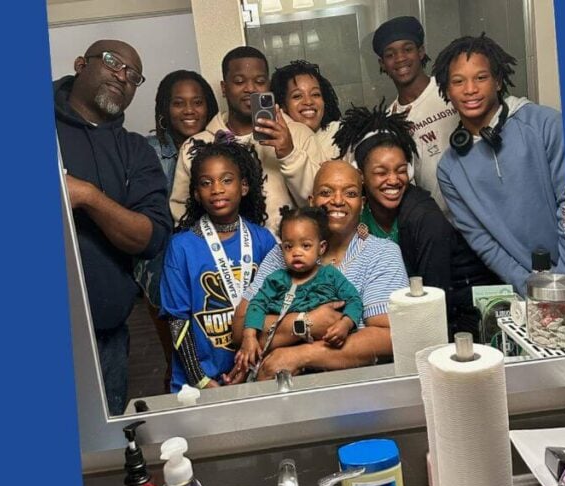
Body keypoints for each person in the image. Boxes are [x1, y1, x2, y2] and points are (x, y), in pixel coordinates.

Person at [54, 39, 172, 415]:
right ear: (80, 64)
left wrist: (87, 195)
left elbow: (149, 237)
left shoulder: (135, 151)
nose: (122, 76)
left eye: (133, 75)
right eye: (112, 63)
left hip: (106, 340)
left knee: (103, 458)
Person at [227, 161, 409, 382]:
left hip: (354, 394)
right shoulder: (283, 254)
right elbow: (240, 329)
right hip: (277, 390)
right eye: (326, 192)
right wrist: (305, 322)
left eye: (350, 193)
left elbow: (388, 336)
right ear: (312, 202)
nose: (338, 201)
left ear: (362, 204)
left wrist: (299, 355)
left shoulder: (381, 254)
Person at [334, 102, 501, 338]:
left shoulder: (425, 218)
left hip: (460, 316)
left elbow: (434, 302)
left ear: (411, 171)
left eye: (401, 170)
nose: (393, 180)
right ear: (360, 175)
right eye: (381, 172)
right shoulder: (360, 212)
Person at [432, 34, 565, 295]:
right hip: (532, 291)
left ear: (498, 81)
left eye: (481, 78)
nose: (470, 89)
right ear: (446, 91)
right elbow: (483, 242)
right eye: (458, 81)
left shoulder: (545, 124)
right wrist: (531, 287)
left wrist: (563, 279)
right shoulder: (449, 170)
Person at [159, 134, 278, 391]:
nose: (217, 189)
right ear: (196, 193)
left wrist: (252, 369)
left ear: (244, 186)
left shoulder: (263, 240)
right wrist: (200, 379)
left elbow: (277, 308)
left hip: (256, 375)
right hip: (197, 385)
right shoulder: (181, 247)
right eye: (206, 182)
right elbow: (177, 320)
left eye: (227, 180)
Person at [170, 46, 326, 233]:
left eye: (259, 81)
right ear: (224, 88)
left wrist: (289, 153)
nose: (250, 88)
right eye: (239, 81)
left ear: (268, 86)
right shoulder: (195, 147)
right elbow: (182, 213)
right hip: (220, 256)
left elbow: (320, 202)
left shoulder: (299, 134)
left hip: (289, 256)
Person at [134, 70, 219, 388]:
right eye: (178, 103)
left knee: (214, 351)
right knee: (178, 358)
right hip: (164, 267)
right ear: (164, 109)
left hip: (212, 264)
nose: (189, 110)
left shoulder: (220, 145)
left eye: (197, 102)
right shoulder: (150, 150)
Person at [237, 206, 364, 373]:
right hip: (279, 360)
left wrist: (345, 324)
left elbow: (354, 300)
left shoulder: (331, 276)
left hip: (324, 357)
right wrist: (249, 337)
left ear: (322, 247)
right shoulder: (275, 280)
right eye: (289, 247)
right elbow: (256, 306)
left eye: (305, 246)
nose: (296, 252)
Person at [373, 16, 459, 218]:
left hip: (481, 214)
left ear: (421, 52)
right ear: (382, 64)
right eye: (390, 54)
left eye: (407, 49)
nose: (400, 58)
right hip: (439, 223)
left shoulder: (451, 89)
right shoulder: (390, 120)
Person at [270, 60, 342, 160]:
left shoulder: (341, 135)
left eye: (315, 94)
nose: (308, 102)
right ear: (282, 105)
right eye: (297, 96)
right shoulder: (272, 143)